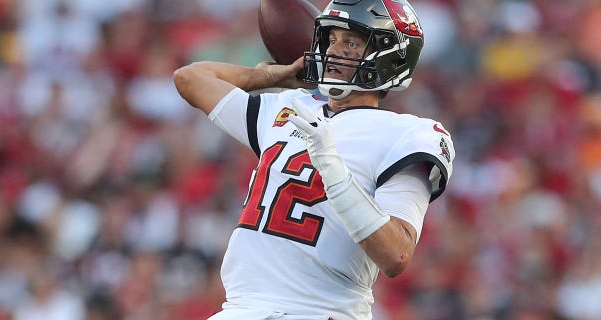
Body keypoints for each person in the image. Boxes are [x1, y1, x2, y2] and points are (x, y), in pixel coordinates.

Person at [173, 0, 455, 319]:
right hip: (241, 308)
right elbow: (190, 78)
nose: (334, 51)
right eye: (331, 39)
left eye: (351, 42)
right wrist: (271, 76)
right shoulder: (287, 107)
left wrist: (334, 172)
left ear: (390, 57)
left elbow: (396, 256)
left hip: (318, 311)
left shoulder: (404, 133)